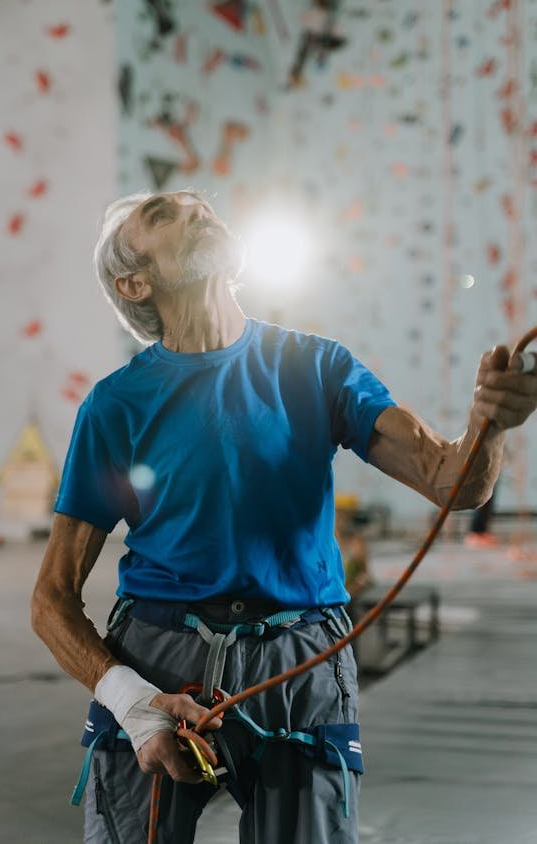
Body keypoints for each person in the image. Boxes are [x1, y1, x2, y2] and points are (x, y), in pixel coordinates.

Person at [31, 189, 537, 844]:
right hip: (156, 658)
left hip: (302, 656)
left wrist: (488, 423)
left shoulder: (317, 367)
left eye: (200, 205)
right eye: (165, 214)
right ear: (134, 280)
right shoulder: (115, 406)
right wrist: (131, 703)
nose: (198, 210)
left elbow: (452, 482)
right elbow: (51, 599)